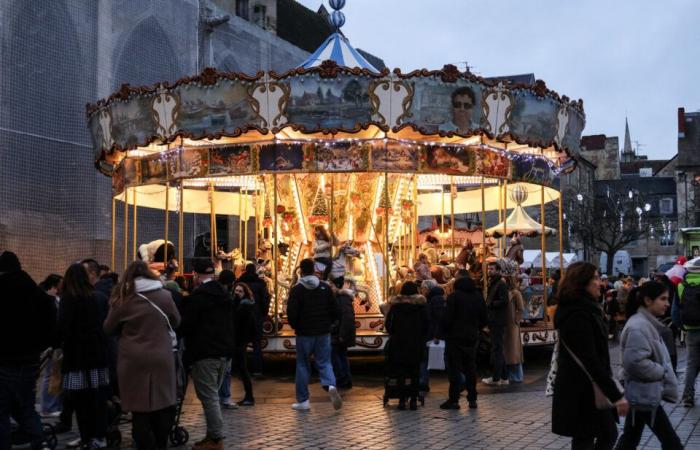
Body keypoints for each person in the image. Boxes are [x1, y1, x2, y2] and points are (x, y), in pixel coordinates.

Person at [103, 261, 181, 450]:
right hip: (161, 355)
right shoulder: (164, 295)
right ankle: (161, 442)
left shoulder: (123, 298)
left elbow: (107, 328)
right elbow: (176, 321)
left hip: (133, 358)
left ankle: (145, 444)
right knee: (162, 403)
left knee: (139, 408)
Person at [552, 261, 628, 450]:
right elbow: (590, 358)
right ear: (581, 282)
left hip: (587, 387)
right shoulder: (577, 313)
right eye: (594, 278)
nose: (600, 283)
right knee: (592, 437)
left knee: (601, 435)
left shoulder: (586, 308)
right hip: (581, 388)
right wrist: (616, 395)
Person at [614, 281, 682, 450]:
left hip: (642, 393)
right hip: (644, 394)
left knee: (630, 439)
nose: (667, 303)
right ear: (648, 300)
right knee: (672, 443)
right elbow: (635, 362)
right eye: (663, 299)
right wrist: (662, 371)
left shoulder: (644, 324)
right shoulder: (639, 326)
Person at [0, 251, 57, 450]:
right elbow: (52, 324)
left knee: (2, 411)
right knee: (26, 407)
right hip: (31, 360)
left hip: (5, 361)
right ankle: (40, 443)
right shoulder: (38, 294)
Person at [179, 260, 236, 450]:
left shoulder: (199, 297)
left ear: (196, 275)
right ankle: (211, 435)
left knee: (208, 396)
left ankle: (216, 438)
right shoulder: (224, 295)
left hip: (205, 352)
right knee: (213, 394)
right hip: (224, 352)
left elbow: (187, 324)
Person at [56, 263, 111, 449]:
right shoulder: (98, 297)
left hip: (77, 356)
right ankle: (99, 436)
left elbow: (62, 328)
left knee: (80, 400)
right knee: (98, 399)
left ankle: (86, 436)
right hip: (98, 354)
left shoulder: (69, 298)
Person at [286, 259, 342, 411]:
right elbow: (335, 309)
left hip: (304, 333)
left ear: (301, 271)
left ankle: (303, 401)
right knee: (324, 362)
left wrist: (295, 326)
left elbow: (291, 312)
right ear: (315, 269)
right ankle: (330, 385)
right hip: (323, 332)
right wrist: (329, 324)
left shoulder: (297, 290)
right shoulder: (324, 287)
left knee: (303, 364)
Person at [439, 276, 487, 410]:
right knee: (470, 368)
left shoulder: (454, 297)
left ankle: (454, 399)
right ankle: (472, 398)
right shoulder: (478, 297)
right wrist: (477, 327)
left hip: (454, 337)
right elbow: (484, 317)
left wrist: (443, 331)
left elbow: (447, 318)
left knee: (454, 369)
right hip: (471, 337)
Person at [384, 281, 428, 411]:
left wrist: (395, 333)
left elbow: (388, 326)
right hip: (415, 343)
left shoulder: (395, 307)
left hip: (399, 343)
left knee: (400, 373)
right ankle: (413, 400)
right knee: (415, 372)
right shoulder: (420, 307)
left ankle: (402, 401)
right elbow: (426, 326)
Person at [221, 282, 256, 407]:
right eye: (236, 291)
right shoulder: (239, 305)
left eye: (240, 291)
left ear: (245, 293)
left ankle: (249, 396)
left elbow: (239, 324)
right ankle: (247, 396)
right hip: (237, 340)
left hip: (240, 341)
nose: (237, 293)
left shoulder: (245, 307)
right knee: (238, 369)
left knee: (242, 369)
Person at [236, 263, 271, 376]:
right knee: (256, 344)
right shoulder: (260, 283)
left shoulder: (240, 282)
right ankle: (258, 369)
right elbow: (265, 298)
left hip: (242, 316)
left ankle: (242, 369)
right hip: (256, 316)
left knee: (242, 345)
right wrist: (264, 312)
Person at [37, 274, 63, 417]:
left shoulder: (54, 299)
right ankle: (48, 406)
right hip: (49, 342)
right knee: (50, 374)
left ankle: (52, 405)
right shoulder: (48, 299)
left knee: (53, 374)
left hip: (52, 342)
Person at [482, 261, 509, 386]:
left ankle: (496, 377)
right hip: (495, 319)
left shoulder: (500, 284)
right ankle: (504, 377)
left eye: (492, 269)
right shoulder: (494, 282)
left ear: (498, 270)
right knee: (497, 348)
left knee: (496, 348)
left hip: (497, 320)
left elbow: (504, 301)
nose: (489, 271)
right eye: (489, 269)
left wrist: (491, 304)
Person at [678, 257, 700, 407]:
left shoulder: (681, 285)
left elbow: (675, 311)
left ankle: (688, 396)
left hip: (690, 329)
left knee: (691, 363)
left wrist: (683, 327)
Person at [330, 277, 356, 390]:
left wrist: (342, 334)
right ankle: (344, 379)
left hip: (339, 333)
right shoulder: (339, 298)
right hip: (338, 332)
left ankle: (342, 379)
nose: (330, 287)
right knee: (340, 356)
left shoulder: (342, 299)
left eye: (331, 286)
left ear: (337, 286)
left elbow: (347, 318)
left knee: (337, 356)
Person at [420, 279, 446, 391]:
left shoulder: (432, 301)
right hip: (438, 333)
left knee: (424, 358)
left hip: (432, 333)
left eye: (423, 288)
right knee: (446, 358)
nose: (422, 291)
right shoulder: (441, 299)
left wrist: (436, 334)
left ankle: (423, 381)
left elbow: (434, 319)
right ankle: (461, 380)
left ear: (427, 289)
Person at [503, 264, 525, 383]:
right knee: (506, 349)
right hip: (505, 323)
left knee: (513, 350)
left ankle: (517, 375)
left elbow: (521, 309)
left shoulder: (516, 293)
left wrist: (516, 320)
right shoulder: (504, 292)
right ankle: (509, 374)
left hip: (512, 325)